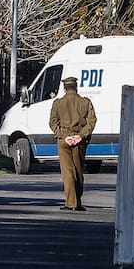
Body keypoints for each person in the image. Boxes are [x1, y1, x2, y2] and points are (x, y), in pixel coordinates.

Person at [48, 76, 97, 212]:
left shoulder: (58, 103)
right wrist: (80, 136)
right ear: (76, 87)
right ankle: (78, 201)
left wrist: (64, 136)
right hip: (79, 140)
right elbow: (92, 121)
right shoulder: (85, 102)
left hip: (64, 140)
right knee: (79, 171)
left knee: (67, 172)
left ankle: (71, 203)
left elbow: (53, 122)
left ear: (64, 89)